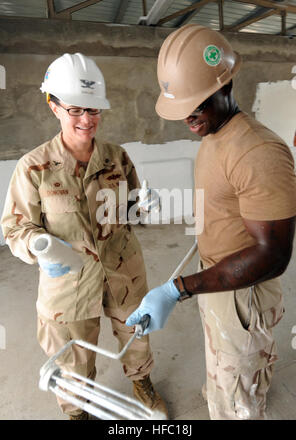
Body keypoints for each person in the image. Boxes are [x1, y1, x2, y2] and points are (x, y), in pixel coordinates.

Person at [126, 25, 296, 420]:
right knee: (231, 372)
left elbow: (272, 255)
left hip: (242, 294)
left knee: (238, 399)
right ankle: (231, 387)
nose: (188, 116)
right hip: (220, 279)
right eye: (182, 106)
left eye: (197, 104)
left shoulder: (257, 151)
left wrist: (178, 289)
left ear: (226, 85)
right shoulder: (215, 133)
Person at [1, 52, 167, 420]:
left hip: (124, 270)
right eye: (76, 110)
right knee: (73, 359)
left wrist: (143, 206)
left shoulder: (117, 158)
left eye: (93, 110)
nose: (87, 120)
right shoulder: (33, 167)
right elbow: (14, 227)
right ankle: (77, 412)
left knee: (135, 336)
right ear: (54, 107)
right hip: (70, 283)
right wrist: (37, 246)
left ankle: (142, 382)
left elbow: (132, 210)